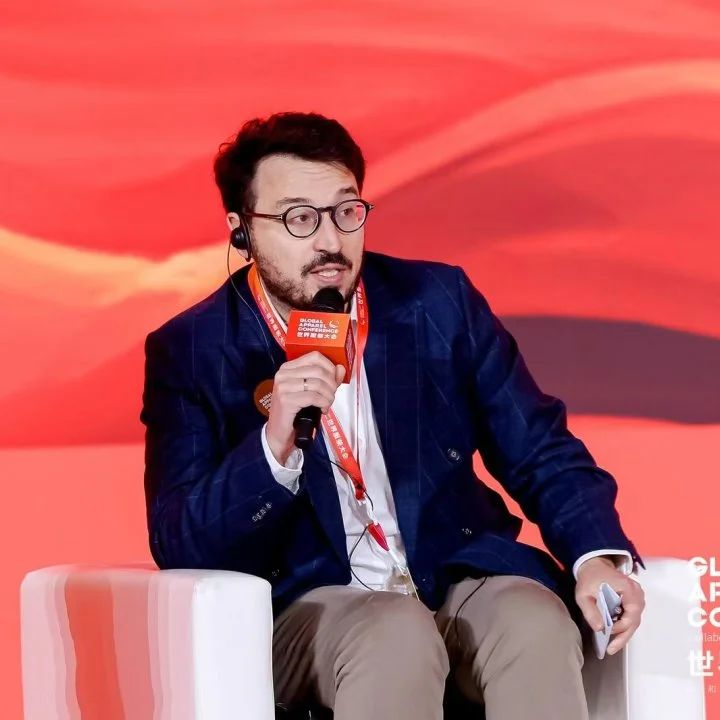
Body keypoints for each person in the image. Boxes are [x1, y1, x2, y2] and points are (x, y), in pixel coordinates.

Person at [140, 111, 646, 720]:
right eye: (299, 219)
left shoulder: (436, 303)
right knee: (395, 634)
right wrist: (274, 447)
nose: (330, 242)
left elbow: (539, 447)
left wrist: (596, 556)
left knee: (534, 619)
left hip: (451, 575)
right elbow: (180, 539)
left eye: (346, 211)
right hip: (312, 604)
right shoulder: (193, 349)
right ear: (241, 230)